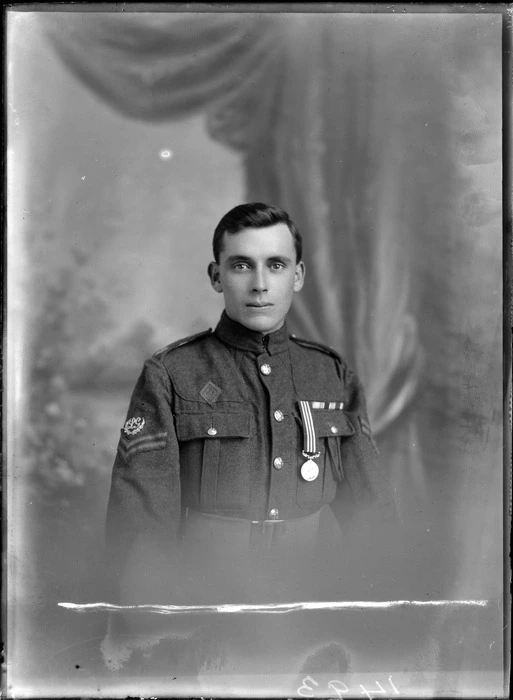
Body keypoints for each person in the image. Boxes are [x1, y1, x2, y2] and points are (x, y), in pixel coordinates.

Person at [103, 202, 393, 684]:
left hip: (312, 603)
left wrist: (382, 613)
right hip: (205, 608)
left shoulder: (330, 373)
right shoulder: (173, 374)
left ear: (297, 276)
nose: (260, 283)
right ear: (217, 276)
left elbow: (374, 511)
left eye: (275, 265)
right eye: (242, 265)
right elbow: (141, 526)